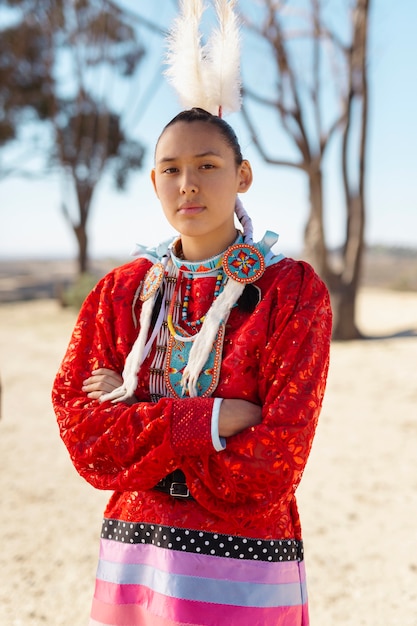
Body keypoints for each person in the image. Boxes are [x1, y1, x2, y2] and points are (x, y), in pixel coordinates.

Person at [52, 106, 332, 626]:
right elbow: (85, 434)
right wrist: (207, 419)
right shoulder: (121, 292)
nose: (188, 185)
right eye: (172, 169)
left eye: (207, 165)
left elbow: (277, 458)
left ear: (242, 175)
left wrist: (136, 409)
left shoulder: (291, 293)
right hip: (137, 549)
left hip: (244, 556)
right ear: (155, 180)